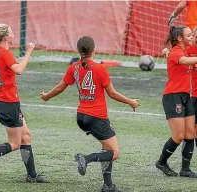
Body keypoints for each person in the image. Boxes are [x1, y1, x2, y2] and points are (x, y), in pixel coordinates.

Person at [40, 36, 140, 191]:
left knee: (107, 148)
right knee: (114, 152)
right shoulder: (100, 69)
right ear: (94, 50)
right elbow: (112, 94)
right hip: (96, 117)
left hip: (81, 116)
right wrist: (131, 101)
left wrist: (46, 96)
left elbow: (60, 88)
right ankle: (86, 159)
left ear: (79, 51)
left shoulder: (74, 67)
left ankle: (108, 185)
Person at [0, 24, 48, 183]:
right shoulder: (5, 53)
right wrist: (28, 53)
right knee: (15, 143)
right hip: (8, 102)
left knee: (26, 136)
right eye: (11, 32)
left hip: (7, 102)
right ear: (6, 38)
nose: (14, 34)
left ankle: (31, 176)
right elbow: (18, 69)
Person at [155, 25, 197, 178]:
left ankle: (185, 169)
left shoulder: (182, 49)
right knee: (178, 136)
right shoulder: (177, 51)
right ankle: (162, 162)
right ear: (180, 38)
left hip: (185, 96)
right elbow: (184, 61)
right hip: (172, 96)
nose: (192, 38)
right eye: (189, 35)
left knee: (190, 133)